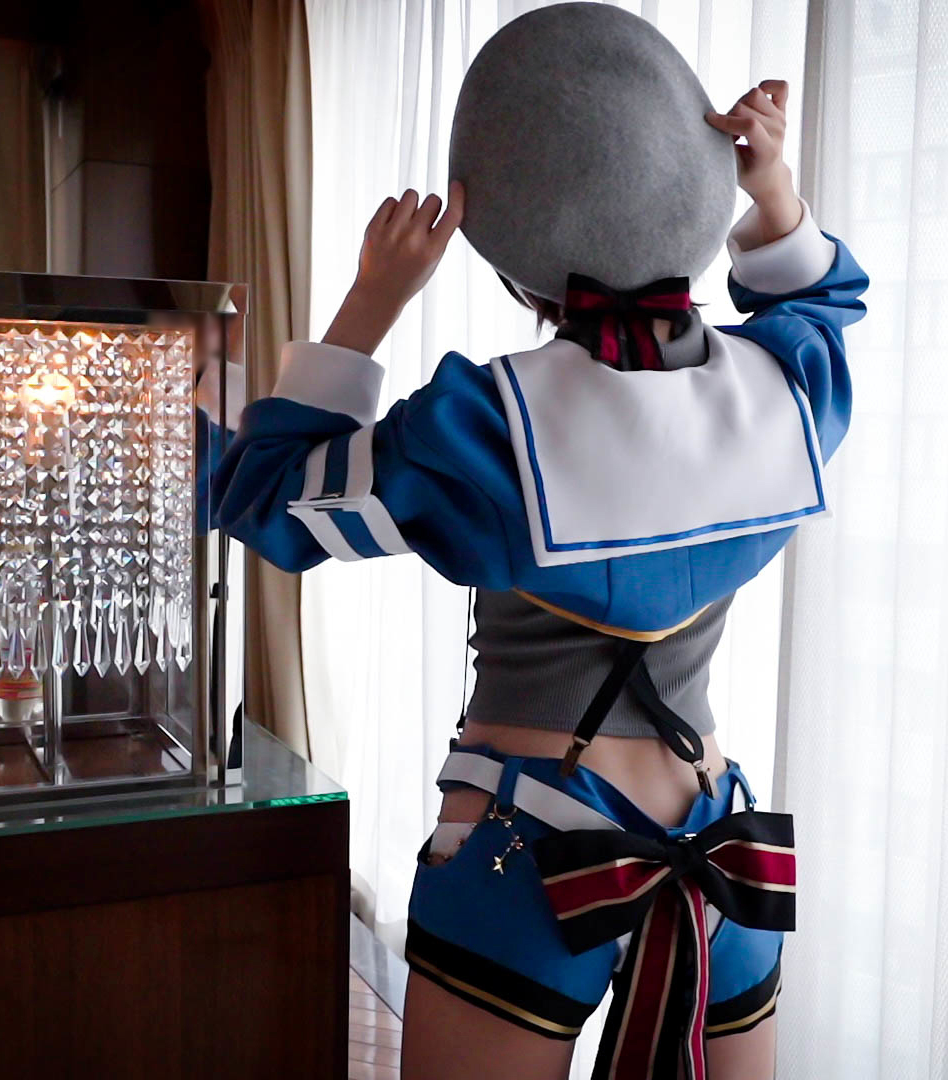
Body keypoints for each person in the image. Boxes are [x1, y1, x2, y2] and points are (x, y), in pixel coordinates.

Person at [214, 6, 867, 1077]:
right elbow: (826, 301)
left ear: (518, 270)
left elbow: (267, 497)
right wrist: (774, 191)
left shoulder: (482, 428)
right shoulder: (789, 386)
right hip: (723, 845)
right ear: (693, 209)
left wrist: (374, 298)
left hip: (526, 851)